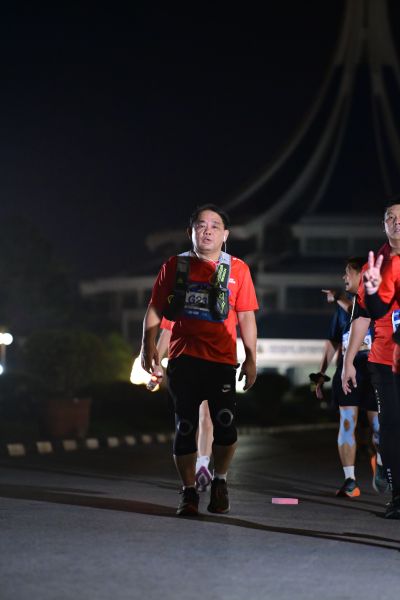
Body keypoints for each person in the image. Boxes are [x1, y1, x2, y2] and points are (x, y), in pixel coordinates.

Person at [141, 203, 258, 516]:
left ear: (225, 235)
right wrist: (147, 346)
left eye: (215, 226)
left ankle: (220, 480)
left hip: (222, 361)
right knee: (185, 426)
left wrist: (251, 358)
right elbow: (156, 309)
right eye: (201, 225)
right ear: (190, 231)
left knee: (225, 424)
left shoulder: (238, 269)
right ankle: (189, 492)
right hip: (184, 360)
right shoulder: (175, 266)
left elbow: (247, 317)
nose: (207, 231)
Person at [342, 201, 400, 519]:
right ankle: (397, 495)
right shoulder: (373, 266)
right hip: (385, 359)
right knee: (391, 425)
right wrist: (348, 361)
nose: (397, 222)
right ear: (384, 225)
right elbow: (364, 315)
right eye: (390, 217)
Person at [311, 258, 379, 498]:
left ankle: (382, 465)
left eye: (347, 272)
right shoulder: (342, 308)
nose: (343, 277)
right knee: (347, 422)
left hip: (374, 369)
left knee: (378, 427)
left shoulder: (377, 300)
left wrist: (339, 296)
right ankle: (350, 481)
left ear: (362, 274)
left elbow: (357, 312)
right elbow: (333, 341)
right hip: (348, 370)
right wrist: (320, 374)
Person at [155, 320, 214, 491]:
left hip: (200, 360)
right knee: (199, 418)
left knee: (198, 417)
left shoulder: (181, 295)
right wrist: (156, 362)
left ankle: (200, 466)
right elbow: (168, 329)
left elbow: (167, 330)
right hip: (196, 361)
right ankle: (200, 465)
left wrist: (156, 362)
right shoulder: (179, 307)